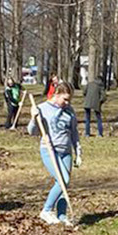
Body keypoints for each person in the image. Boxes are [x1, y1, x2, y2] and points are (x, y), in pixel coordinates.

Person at [28, 80, 81, 226]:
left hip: (66, 151)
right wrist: (33, 118)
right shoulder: (42, 108)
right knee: (63, 180)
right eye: (65, 99)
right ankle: (46, 210)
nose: (67, 103)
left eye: (69, 100)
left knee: (63, 184)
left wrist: (78, 151)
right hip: (50, 150)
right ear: (56, 94)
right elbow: (32, 132)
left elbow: (74, 132)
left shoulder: (69, 110)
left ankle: (62, 215)